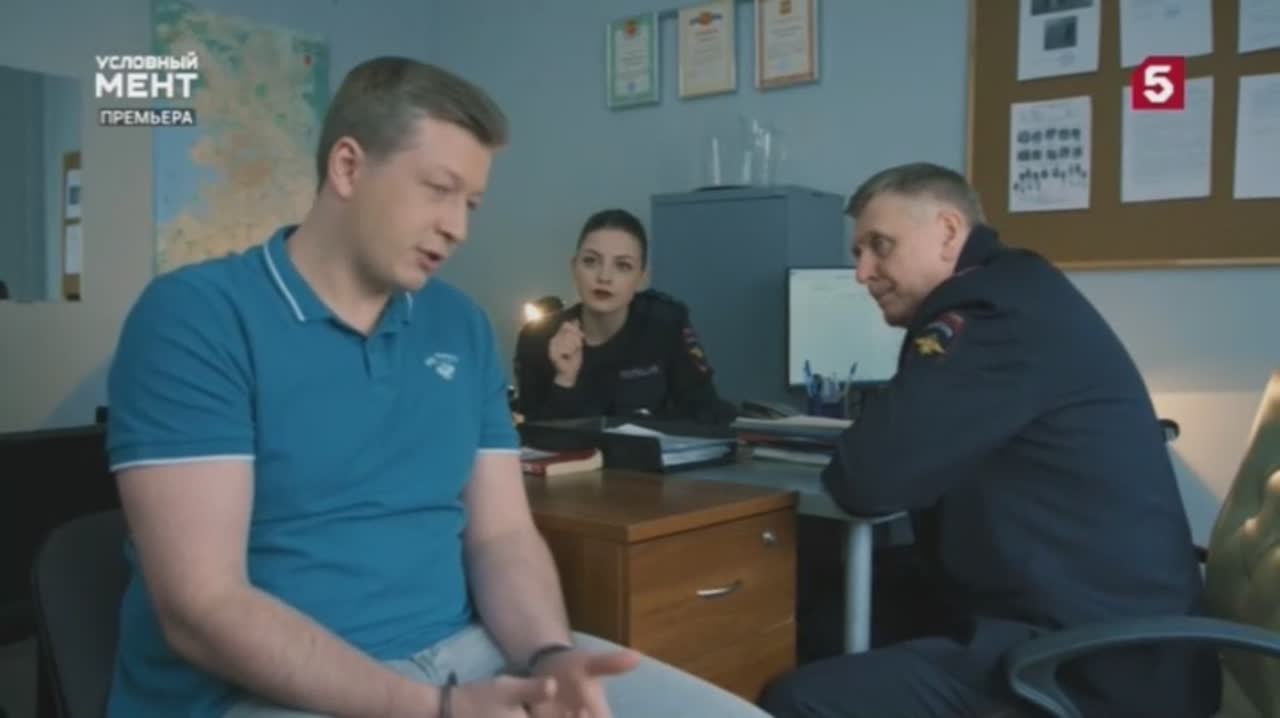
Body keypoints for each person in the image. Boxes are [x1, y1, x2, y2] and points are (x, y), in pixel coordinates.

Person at [104, 56, 770, 718]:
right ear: (348, 167)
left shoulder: (461, 326)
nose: (459, 227)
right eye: (438, 189)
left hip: (463, 658)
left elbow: (501, 537)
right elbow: (202, 607)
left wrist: (547, 656)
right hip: (258, 690)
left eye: (470, 204)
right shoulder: (196, 317)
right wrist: (432, 708)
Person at [758, 162, 1220, 718]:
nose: (862, 273)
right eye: (858, 253)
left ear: (948, 231)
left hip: (1092, 663)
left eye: (880, 246)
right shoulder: (1018, 287)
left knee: (797, 700)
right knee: (816, 611)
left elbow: (866, 481)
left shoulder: (988, 312)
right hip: (1108, 623)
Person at [512, 208, 733, 424]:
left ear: (642, 279)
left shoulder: (666, 323)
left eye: (623, 266)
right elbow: (532, 435)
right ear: (574, 268)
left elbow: (706, 411)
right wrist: (564, 379)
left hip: (653, 448)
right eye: (590, 261)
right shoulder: (538, 338)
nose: (604, 277)